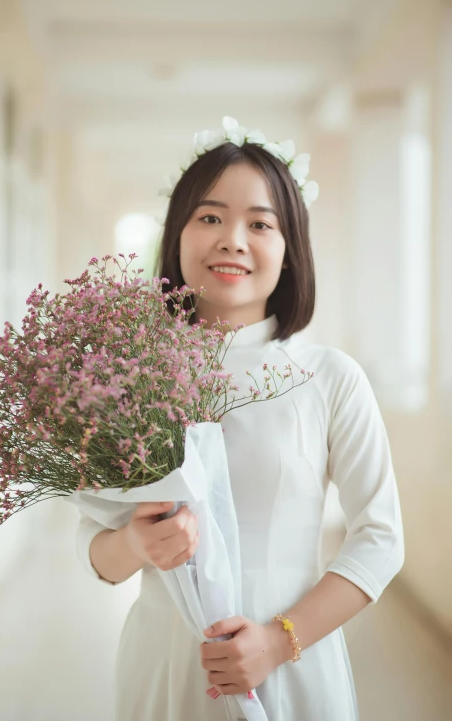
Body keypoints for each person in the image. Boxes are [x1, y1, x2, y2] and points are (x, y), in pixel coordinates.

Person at [75, 117, 405, 720]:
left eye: (260, 223)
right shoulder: (125, 378)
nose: (232, 239)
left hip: (291, 668)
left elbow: (380, 540)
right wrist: (137, 542)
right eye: (210, 217)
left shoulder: (329, 377)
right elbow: (96, 553)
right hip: (165, 666)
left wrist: (278, 642)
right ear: (177, 234)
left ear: (289, 249)